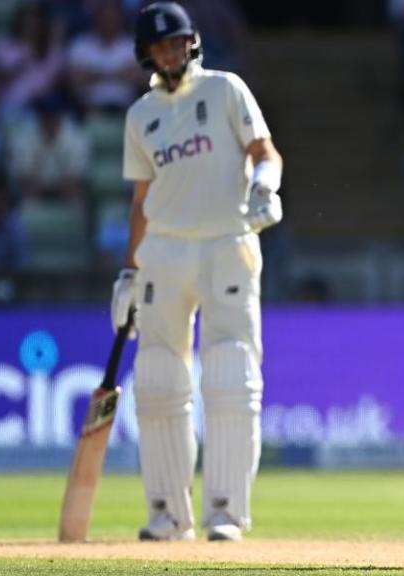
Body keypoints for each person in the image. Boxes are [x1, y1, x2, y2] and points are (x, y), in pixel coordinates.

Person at [111, 1, 284, 542]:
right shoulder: (140, 116)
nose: (171, 52)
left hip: (227, 244)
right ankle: (167, 513)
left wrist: (265, 183)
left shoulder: (226, 89)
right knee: (159, 376)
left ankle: (227, 512)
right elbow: (142, 200)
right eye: (160, 46)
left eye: (178, 42)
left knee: (230, 372)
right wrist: (127, 272)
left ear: (192, 42)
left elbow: (265, 151)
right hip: (163, 252)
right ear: (147, 55)